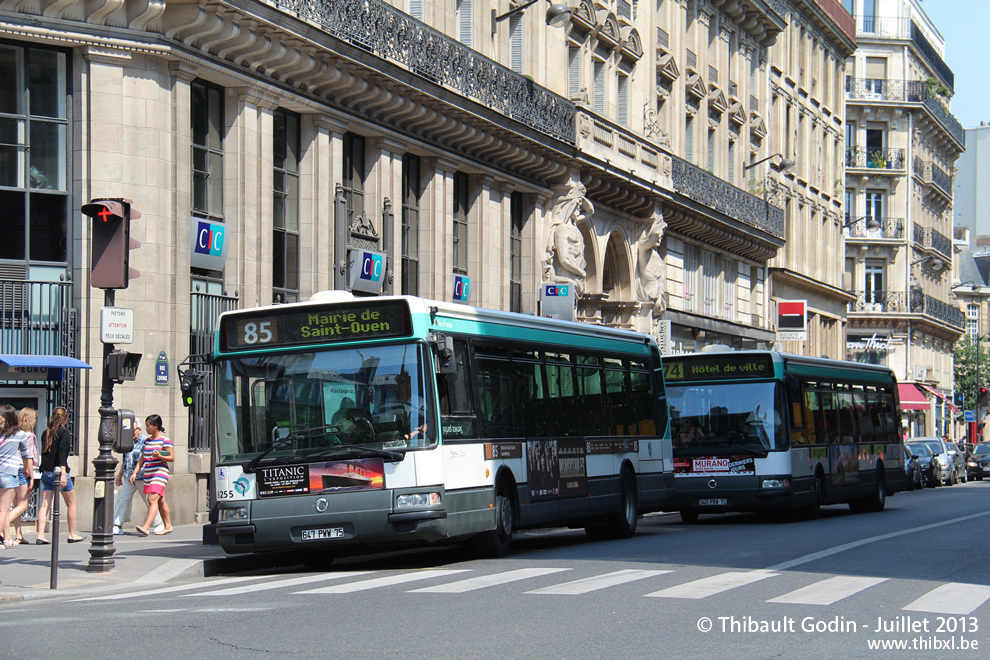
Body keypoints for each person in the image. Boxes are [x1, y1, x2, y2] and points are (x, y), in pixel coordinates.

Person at [35, 407, 84, 544]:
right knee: (71, 503)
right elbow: (62, 454)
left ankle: (40, 535)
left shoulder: (46, 432)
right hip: (59, 472)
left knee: (45, 504)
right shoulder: (64, 433)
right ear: (65, 418)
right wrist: (63, 473)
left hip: (46, 472)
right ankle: (72, 533)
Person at [113, 421, 164, 535]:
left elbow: (146, 459)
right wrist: (120, 475)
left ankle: (158, 524)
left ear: (139, 429)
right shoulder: (128, 442)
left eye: (133, 430)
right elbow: (125, 460)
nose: (131, 433)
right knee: (123, 500)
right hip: (128, 476)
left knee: (149, 501)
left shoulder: (146, 442)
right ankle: (117, 524)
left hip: (142, 476)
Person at [130, 414, 173, 536]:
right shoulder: (148, 441)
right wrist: (135, 472)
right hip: (149, 473)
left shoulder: (165, 441)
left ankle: (146, 527)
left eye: (148, 426)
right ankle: (168, 526)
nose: (146, 428)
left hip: (160, 473)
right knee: (160, 501)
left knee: (152, 499)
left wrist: (159, 455)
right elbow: (142, 458)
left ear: (156, 426)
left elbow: (171, 457)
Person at [0, 405, 34, 548]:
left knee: (3, 508)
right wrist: (27, 470)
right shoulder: (19, 434)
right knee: (4, 508)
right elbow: (26, 455)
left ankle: (6, 538)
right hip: (9, 473)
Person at [5, 407, 41, 545]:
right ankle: (3, 523)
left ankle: (18, 534)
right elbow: (29, 457)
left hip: (13, 469)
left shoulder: (14, 433)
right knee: (23, 504)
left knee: (14, 504)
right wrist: (32, 476)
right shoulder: (29, 435)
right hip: (23, 469)